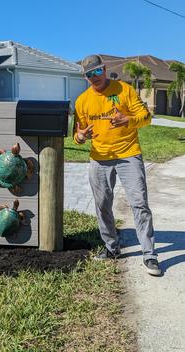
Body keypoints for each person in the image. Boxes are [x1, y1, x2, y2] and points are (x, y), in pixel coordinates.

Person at [73, 54, 161, 276]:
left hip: (128, 155)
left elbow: (146, 117)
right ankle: (112, 248)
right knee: (102, 204)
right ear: (85, 77)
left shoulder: (124, 90)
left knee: (139, 203)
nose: (94, 77)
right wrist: (81, 136)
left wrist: (128, 120)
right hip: (99, 157)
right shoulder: (82, 101)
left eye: (97, 71)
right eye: (89, 74)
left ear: (104, 69)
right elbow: (78, 134)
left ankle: (149, 254)